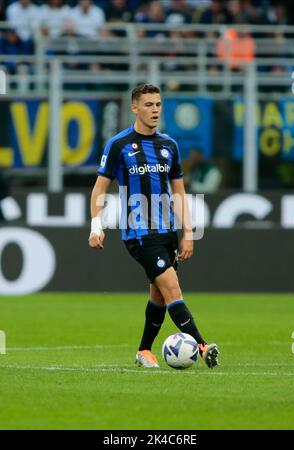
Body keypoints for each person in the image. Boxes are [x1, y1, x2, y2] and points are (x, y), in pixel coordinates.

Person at [88, 83, 219, 369]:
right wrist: (96, 225)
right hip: (139, 233)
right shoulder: (119, 145)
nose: (155, 109)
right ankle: (202, 344)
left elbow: (180, 193)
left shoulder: (169, 145)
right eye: (148, 105)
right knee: (172, 288)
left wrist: (188, 233)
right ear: (134, 108)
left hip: (167, 232)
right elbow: (100, 188)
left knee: (159, 294)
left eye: (158, 104)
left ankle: (144, 350)